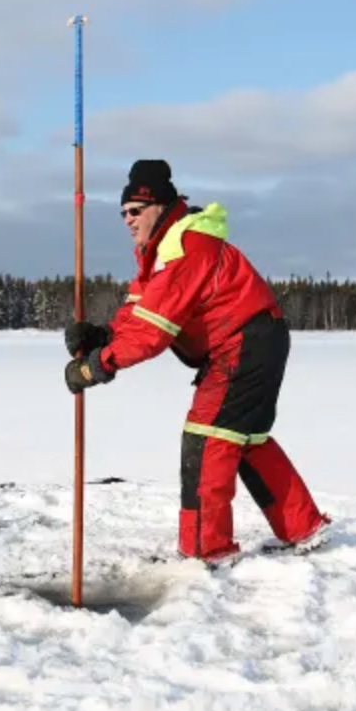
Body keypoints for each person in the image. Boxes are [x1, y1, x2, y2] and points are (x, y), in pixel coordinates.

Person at [63, 158, 332, 564]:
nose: (127, 220)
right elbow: (139, 312)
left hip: (243, 343)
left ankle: (207, 550)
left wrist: (96, 366)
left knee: (206, 439)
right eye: (122, 213)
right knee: (245, 440)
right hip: (253, 341)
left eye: (135, 210)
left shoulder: (185, 248)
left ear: (159, 207)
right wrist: (104, 337)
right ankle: (303, 526)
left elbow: (152, 333)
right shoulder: (161, 251)